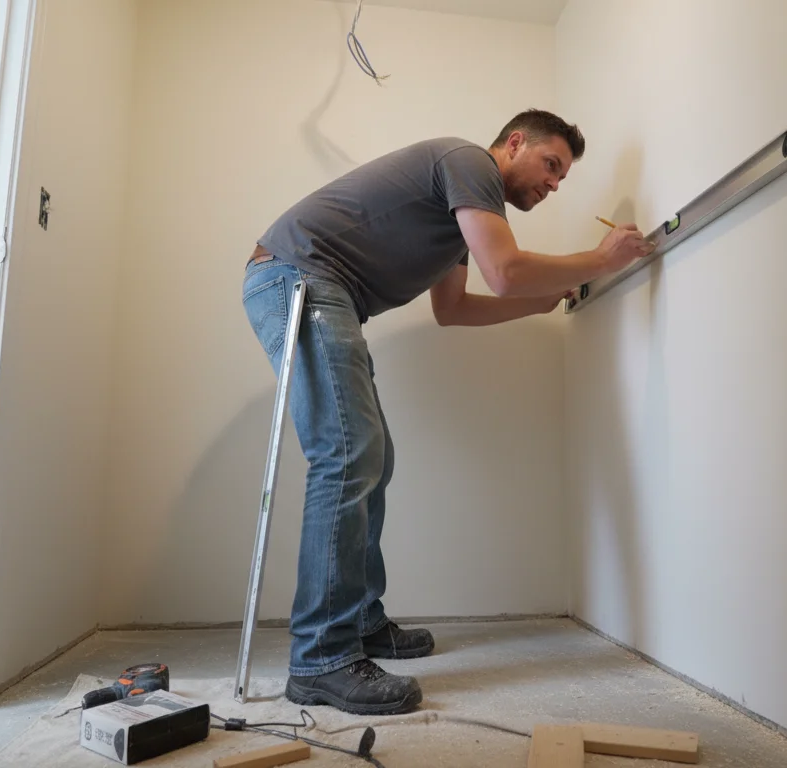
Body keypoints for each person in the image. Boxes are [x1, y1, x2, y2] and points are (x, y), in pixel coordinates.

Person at [241, 109, 653, 716]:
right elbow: (506, 271)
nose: (555, 183)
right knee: (350, 455)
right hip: (297, 277)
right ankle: (321, 659)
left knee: (371, 462)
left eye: (562, 176)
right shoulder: (468, 164)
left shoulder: (467, 214)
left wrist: (539, 305)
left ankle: (360, 624)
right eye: (551, 165)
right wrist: (601, 258)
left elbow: (454, 308)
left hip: (322, 290)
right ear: (514, 144)